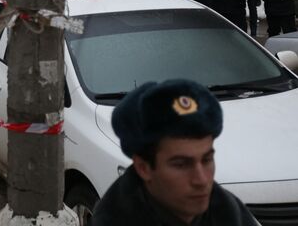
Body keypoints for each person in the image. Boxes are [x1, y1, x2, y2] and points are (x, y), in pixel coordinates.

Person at [91, 79, 258, 226]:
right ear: (143, 168)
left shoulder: (229, 212)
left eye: (207, 160)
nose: (201, 180)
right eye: (181, 165)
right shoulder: (113, 218)